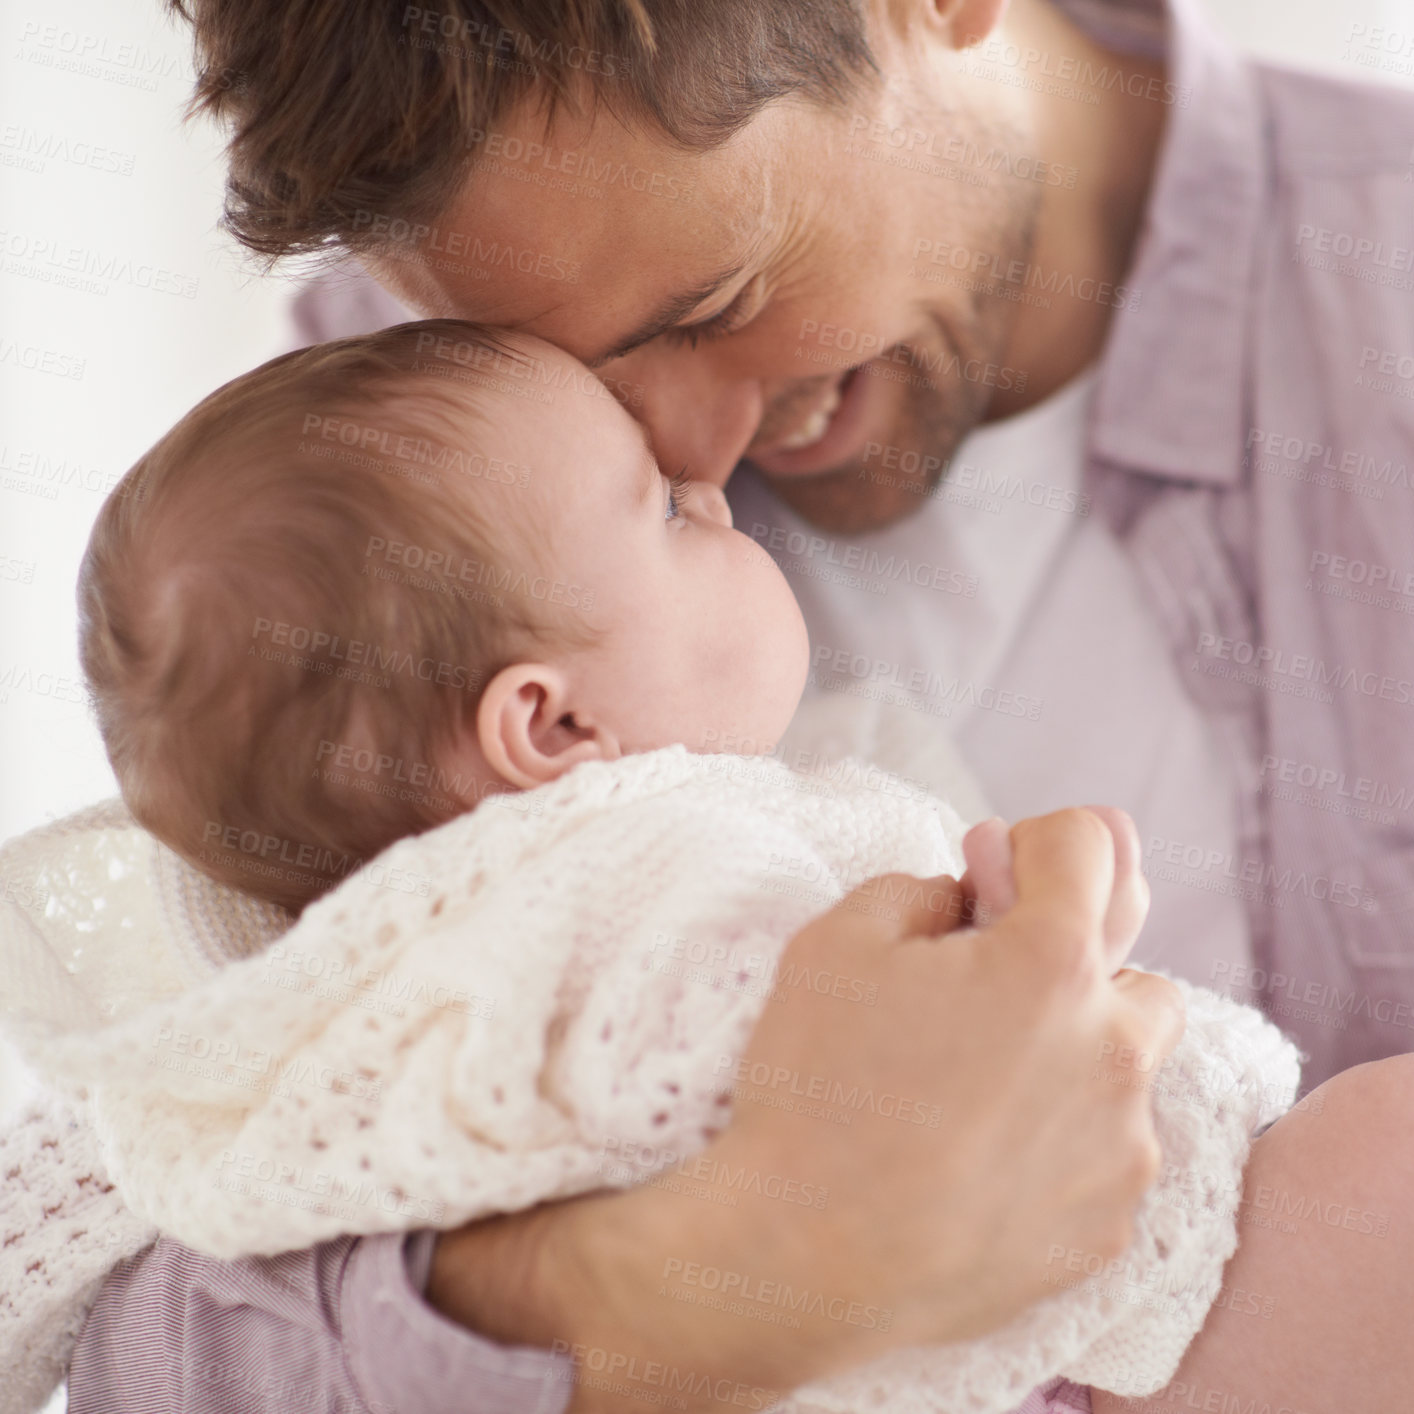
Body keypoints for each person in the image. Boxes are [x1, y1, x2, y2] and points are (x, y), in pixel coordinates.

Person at [66, 0, 1414, 1406]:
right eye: (579, 382)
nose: (689, 447)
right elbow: (164, 1301)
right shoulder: (391, 449)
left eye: (711, 307)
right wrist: (727, 1265)